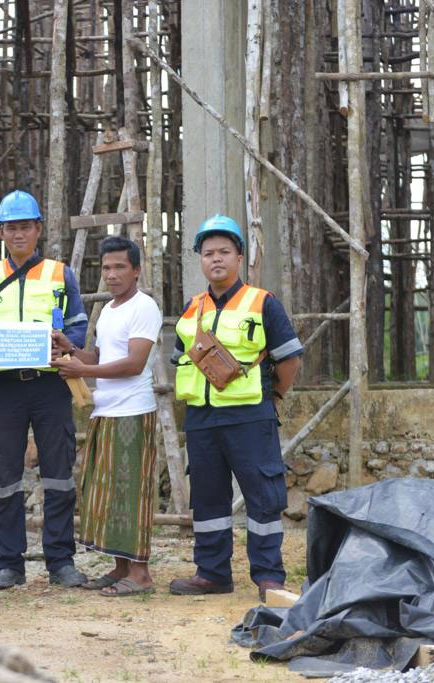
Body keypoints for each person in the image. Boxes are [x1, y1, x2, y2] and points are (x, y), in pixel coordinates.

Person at [168, 215, 303, 602]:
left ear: (239, 257)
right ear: (200, 260)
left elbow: (289, 359)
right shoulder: (192, 309)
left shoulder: (262, 303)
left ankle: (268, 577)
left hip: (249, 417)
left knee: (262, 496)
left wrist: (272, 397)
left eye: (224, 251)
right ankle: (212, 573)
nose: (216, 259)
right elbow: (180, 358)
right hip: (202, 419)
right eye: (208, 253)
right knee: (208, 498)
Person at [0, 189, 89, 590]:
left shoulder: (60, 274)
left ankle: (60, 561)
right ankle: (9, 564)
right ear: (1, 232)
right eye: (10, 228)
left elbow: (79, 325)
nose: (18, 234)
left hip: (49, 384)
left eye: (25, 227)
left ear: (38, 229)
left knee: (58, 474)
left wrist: (66, 343)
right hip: (3, 388)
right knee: (6, 476)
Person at [50, 236, 163, 597]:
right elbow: (98, 359)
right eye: (106, 268)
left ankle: (141, 574)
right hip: (106, 411)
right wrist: (72, 351)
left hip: (132, 412)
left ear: (136, 271)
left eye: (119, 267)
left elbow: (134, 363)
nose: (112, 275)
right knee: (106, 491)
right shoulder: (111, 310)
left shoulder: (143, 307)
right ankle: (119, 567)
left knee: (131, 492)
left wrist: (79, 374)